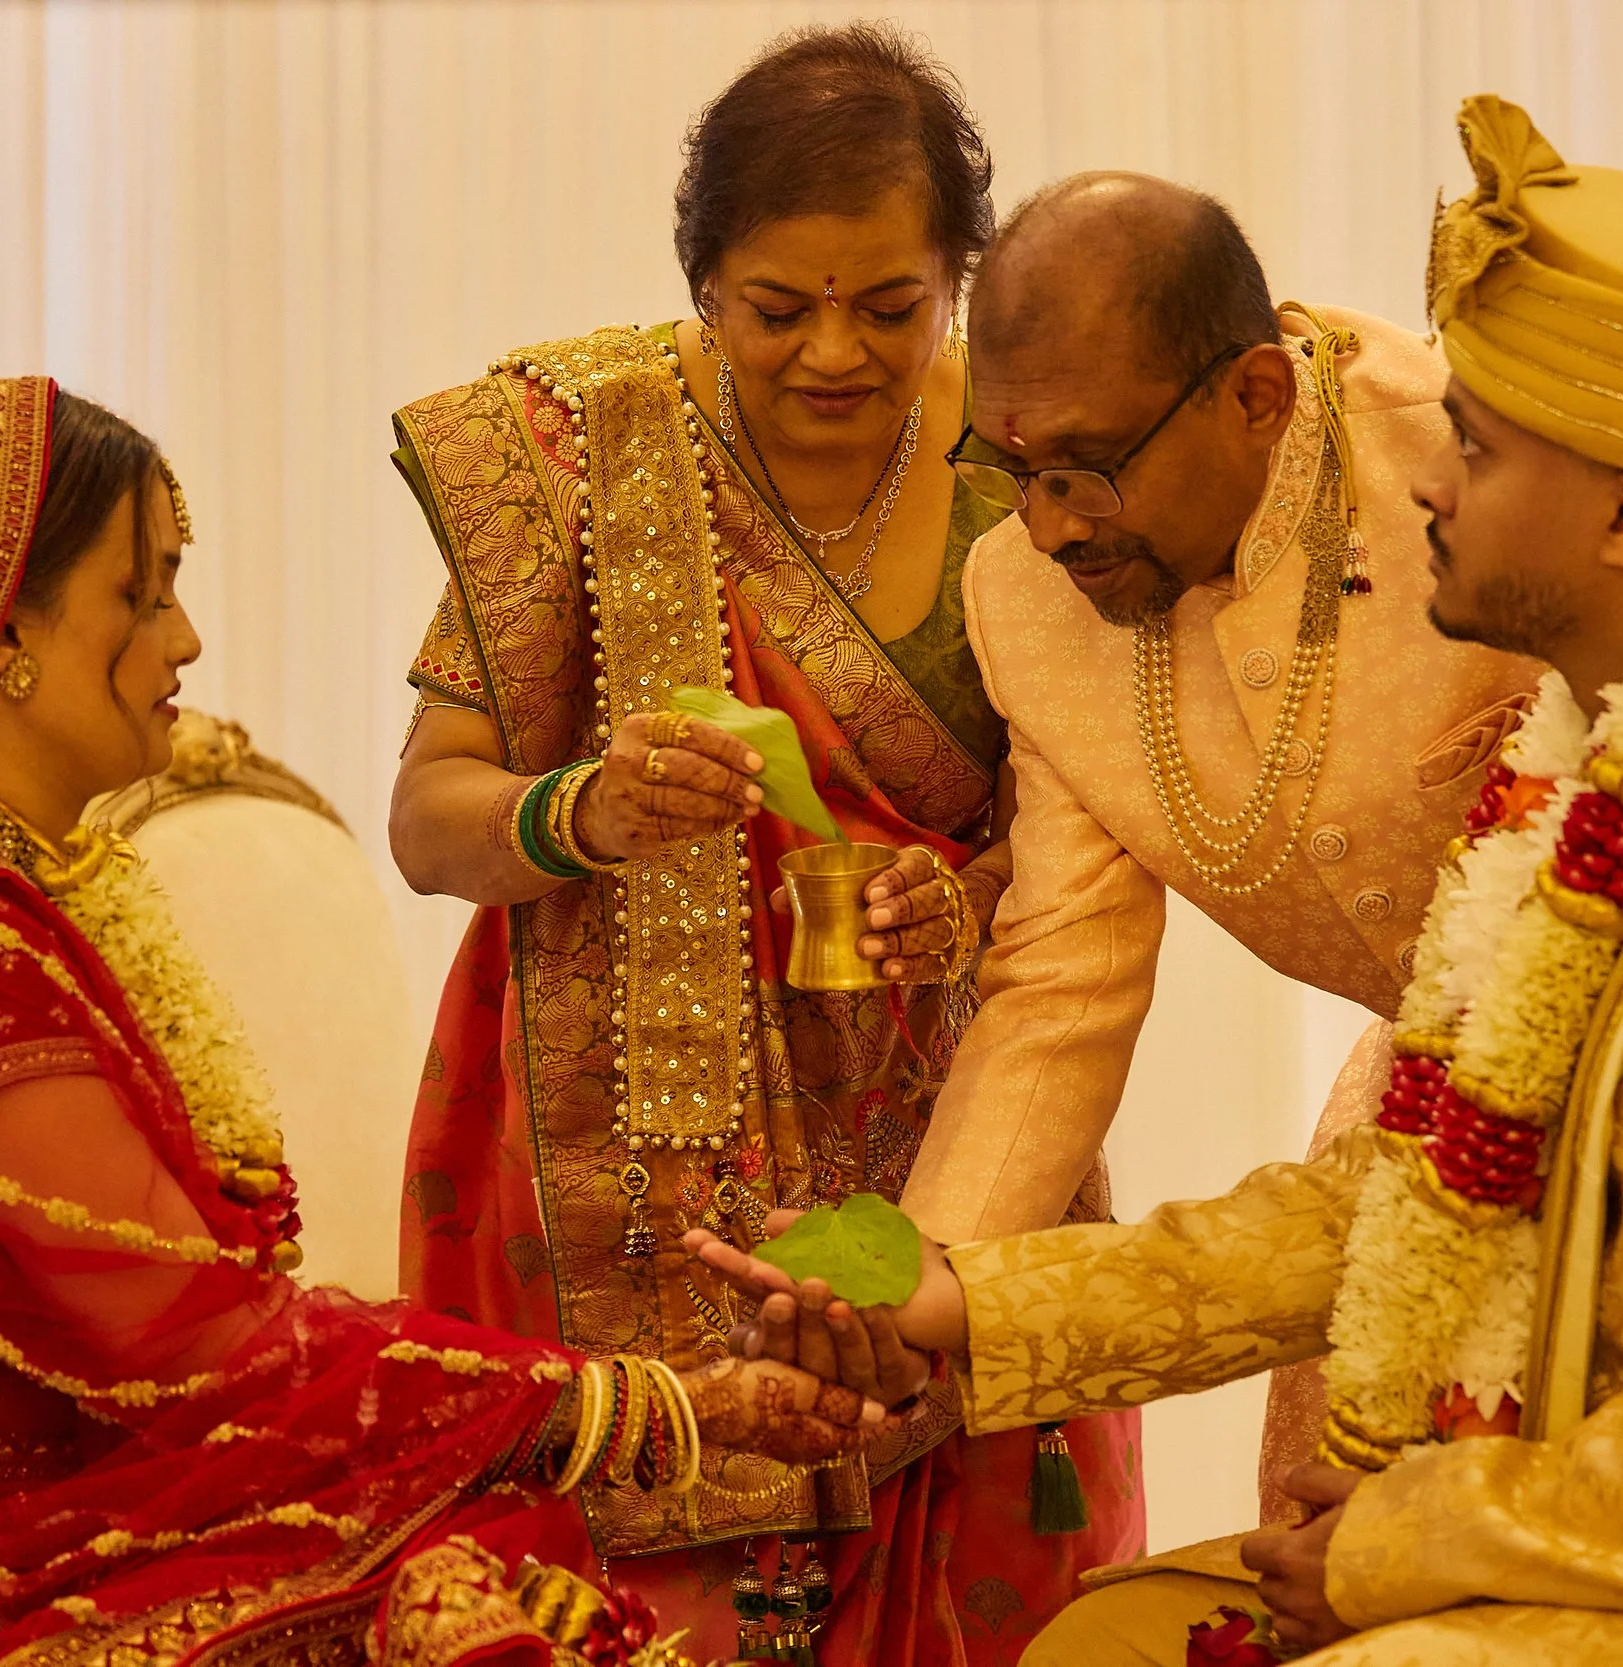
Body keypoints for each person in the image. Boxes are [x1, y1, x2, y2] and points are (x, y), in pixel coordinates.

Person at [700, 97, 1623, 1665]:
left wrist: (1411, 1536)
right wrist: (950, 1303)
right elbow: (1147, 1046)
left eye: (1473, 451)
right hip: (1493, 1281)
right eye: (1015, 468)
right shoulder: (1571, 784)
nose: (1438, 493)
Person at [0, 377, 873, 1667]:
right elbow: (195, 1341)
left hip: (47, 1506)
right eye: (144, 591)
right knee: (465, 1601)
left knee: (475, 1574)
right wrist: (641, 1399)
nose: (186, 641)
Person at [386, 24, 1135, 1664]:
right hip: (614, 1168)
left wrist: (979, 889)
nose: (832, 357)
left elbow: (1092, 834)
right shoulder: (579, 456)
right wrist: (572, 807)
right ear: (701, 282)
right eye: (774, 310)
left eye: (890, 307)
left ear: (961, 276)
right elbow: (429, 815)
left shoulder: (1030, 470)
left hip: (950, 1126)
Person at [863, 168, 1537, 1514]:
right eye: (1015, 470)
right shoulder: (1025, 598)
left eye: (1088, 471)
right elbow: (1061, 979)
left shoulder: (1473, 468)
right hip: (1414, 1134)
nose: (1049, 526)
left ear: (1257, 400)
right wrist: (916, 1289)